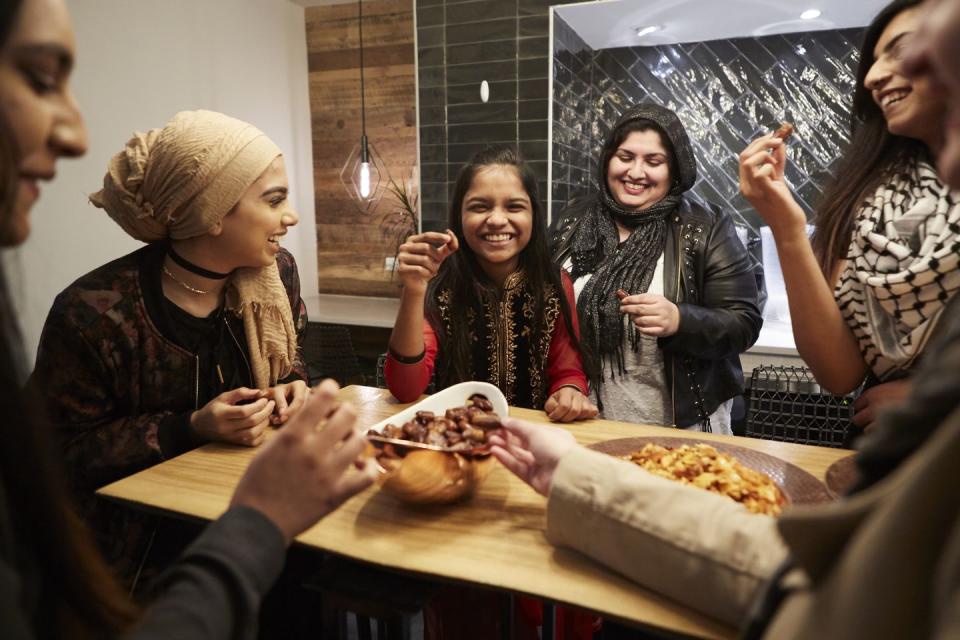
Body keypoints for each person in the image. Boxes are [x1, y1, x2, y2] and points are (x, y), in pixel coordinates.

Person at [0, 1, 377, 638]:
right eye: (274, 200)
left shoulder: (273, 279)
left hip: (275, 539)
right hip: (146, 575)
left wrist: (292, 388)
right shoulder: (97, 313)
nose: (291, 220)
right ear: (209, 213)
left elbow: (295, 363)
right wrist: (187, 427)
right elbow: (57, 455)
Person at [739, 0, 959, 435]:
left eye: (899, 49)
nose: (873, 76)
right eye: (873, 62)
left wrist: (936, 397)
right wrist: (786, 229)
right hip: (885, 456)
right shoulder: (864, 199)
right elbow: (839, 374)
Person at [550, 103, 762, 434]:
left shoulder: (705, 226)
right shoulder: (574, 219)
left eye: (654, 162)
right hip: (585, 421)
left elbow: (743, 324)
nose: (636, 172)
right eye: (625, 157)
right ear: (608, 159)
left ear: (674, 169)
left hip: (676, 427)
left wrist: (681, 320)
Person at [385, 145, 598, 422]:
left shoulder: (555, 283)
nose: (497, 220)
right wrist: (414, 290)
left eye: (514, 206)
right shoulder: (439, 283)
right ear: (459, 217)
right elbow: (405, 388)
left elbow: (567, 371)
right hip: (456, 439)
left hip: (532, 441)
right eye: (479, 207)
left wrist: (570, 392)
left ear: (534, 214)